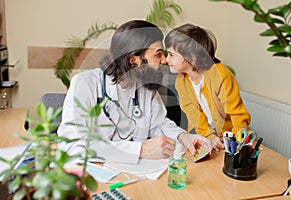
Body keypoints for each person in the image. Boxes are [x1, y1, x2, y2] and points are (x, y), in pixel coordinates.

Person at [57, 20, 212, 164]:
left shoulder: (146, 87)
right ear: (133, 60)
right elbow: (74, 145)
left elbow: (160, 124)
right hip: (96, 173)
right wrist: (141, 150)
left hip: (135, 173)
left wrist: (184, 137)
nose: (164, 60)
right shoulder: (85, 84)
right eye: (158, 54)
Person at [165, 24, 252, 151]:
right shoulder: (181, 82)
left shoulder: (220, 75)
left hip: (231, 139)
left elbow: (238, 114)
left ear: (192, 58)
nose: (167, 59)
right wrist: (209, 136)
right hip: (205, 136)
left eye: (171, 55)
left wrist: (235, 143)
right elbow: (194, 116)